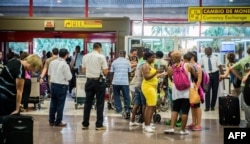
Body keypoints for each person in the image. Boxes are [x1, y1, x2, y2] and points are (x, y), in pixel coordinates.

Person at [164, 50, 197, 135]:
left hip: (176, 91)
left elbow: (171, 79)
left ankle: (172, 128)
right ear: (181, 57)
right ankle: (182, 130)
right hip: (186, 91)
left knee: (175, 109)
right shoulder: (187, 65)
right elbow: (196, 75)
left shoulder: (170, 68)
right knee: (185, 111)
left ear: (172, 59)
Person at [81, 42, 109, 130]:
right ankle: (99, 125)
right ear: (99, 48)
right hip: (99, 82)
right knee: (100, 103)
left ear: (93, 48)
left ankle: (85, 124)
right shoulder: (101, 57)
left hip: (89, 81)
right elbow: (105, 72)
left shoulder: (85, 57)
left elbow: (84, 71)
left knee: (87, 103)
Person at [141, 50, 165, 133]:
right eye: (152, 57)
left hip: (152, 87)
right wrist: (156, 72)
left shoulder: (150, 65)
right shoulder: (145, 66)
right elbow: (147, 77)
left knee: (149, 106)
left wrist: (160, 74)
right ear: (148, 58)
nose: (154, 58)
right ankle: (147, 125)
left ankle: (146, 123)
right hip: (148, 87)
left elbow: (153, 76)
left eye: (154, 57)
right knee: (151, 107)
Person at [48, 48, 72, 127]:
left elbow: (49, 74)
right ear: (66, 55)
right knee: (60, 105)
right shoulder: (65, 65)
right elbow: (69, 77)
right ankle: (58, 121)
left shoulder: (52, 62)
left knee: (53, 103)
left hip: (53, 85)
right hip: (61, 86)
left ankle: (51, 120)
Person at [199, 47, 224, 111]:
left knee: (215, 91)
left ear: (211, 51)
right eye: (205, 51)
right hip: (207, 76)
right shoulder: (203, 58)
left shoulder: (216, 57)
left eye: (207, 51)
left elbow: (220, 66)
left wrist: (222, 75)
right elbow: (199, 66)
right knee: (207, 91)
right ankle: (207, 107)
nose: (206, 52)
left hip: (215, 75)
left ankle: (212, 106)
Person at [129, 48, 149, 126]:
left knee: (136, 103)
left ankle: (132, 121)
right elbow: (146, 76)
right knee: (144, 104)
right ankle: (144, 122)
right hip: (142, 86)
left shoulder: (140, 61)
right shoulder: (144, 64)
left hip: (136, 84)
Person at [231, 47, 250, 127]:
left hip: (244, 84)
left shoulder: (243, 60)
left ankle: (248, 121)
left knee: (246, 104)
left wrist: (239, 77)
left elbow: (232, 68)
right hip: (246, 83)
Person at [184, 52, 203, 131]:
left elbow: (199, 78)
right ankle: (194, 122)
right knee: (192, 106)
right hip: (190, 88)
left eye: (185, 60)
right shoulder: (188, 65)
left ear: (191, 58)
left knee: (197, 106)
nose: (185, 61)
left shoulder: (197, 66)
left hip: (195, 88)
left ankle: (198, 124)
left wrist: (196, 88)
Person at [110, 50, 131, 115]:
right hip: (125, 82)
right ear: (125, 55)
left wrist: (112, 81)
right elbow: (129, 73)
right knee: (126, 96)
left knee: (116, 96)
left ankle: (119, 110)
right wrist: (128, 80)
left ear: (119, 54)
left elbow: (111, 73)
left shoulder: (114, 62)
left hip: (116, 82)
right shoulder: (127, 62)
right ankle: (127, 109)